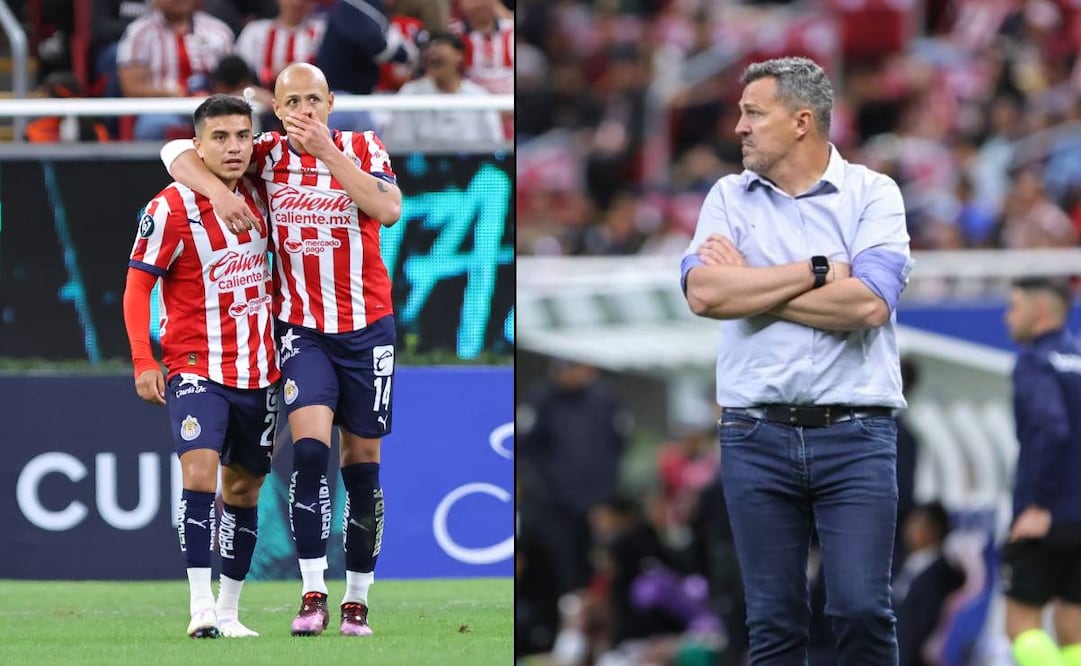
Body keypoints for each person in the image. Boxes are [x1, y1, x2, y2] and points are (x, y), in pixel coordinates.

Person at [681, 56, 913, 664]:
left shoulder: (874, 193)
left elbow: (867, 305)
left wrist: (753, 292)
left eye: (754, 113)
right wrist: (814, 274)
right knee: (773, 622)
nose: (739, 127)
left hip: (856, 434)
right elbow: (704, 293)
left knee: (862, 609)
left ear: (802, 121)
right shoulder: (726, 196)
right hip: (754, 432)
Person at [159, 62, 402, 638]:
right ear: (276, 105)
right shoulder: (265, 153)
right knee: (311, 452)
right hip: (300, 328)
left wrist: (328, 153)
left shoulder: (363, 146)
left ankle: (358, 599)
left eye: (313, 100)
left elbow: (388, 210)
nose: (303, 112)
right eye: (291, 102)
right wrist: (219, 193)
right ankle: (314, 591)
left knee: (363, 464)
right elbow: (175, 150)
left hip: (368, 329)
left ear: (331, 101)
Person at [122, 94, 278, 639]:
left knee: (244, 491)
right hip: (194, 365)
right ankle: (200, 605)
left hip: (261, 370)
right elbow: (137, 285)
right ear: (199, 145)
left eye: (242, 135)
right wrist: (145, 359)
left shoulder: (265, 192)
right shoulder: (170, 207)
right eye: (220, 137)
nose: (233, 147)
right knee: (199, 473)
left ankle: (231, 611)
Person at [1001, 277, 1081, 666]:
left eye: (1015, 306)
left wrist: (1037, 502)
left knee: (1021, 627)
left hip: (1046, 517)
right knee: (1073, 627)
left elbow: (1050, 427)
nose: (1007, 316)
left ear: (1041, 310)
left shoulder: (1034, 360)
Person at [116, 0, 234, 139]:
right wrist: (166, 93)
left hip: (211, 105)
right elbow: (131, 88)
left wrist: (212, 96)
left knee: (232, 122)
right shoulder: (138, 32)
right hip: (162, 108)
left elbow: (234, 79)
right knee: (154, 126)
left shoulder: (219, 31)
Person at [383, 31, 503, 149]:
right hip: (420, 165)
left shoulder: (479, 97)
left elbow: (495, 145)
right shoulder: (410, 94)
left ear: (459, 56)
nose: (433, 51)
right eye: (431, 58)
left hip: (473, 165)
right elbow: (398, 146)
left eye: (440, 45)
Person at [893, 502, 965, 666]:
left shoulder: (941, 575)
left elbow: (922, 629)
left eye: (917, 522)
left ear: (935, 530)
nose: (909, 528)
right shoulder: (901, 563)